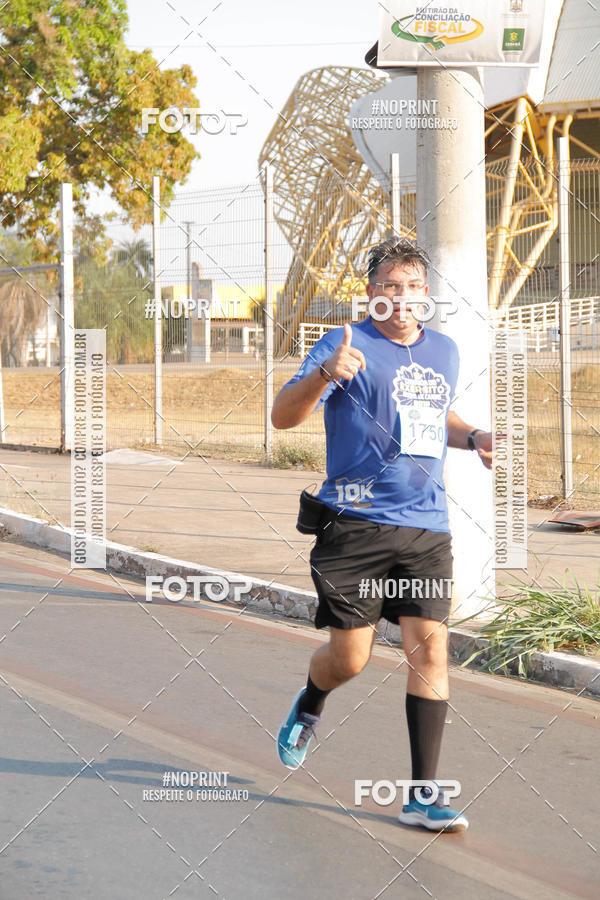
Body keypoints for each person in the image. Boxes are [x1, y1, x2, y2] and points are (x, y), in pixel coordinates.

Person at [271, 237, 493, 832]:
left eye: (414, 287)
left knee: (433, 650)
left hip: (426, 525)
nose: (402, 298)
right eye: (390, 287)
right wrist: (323, 373)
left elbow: (431, 415)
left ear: (427, 297)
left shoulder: (443, 351)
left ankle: (423, 795)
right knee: (351, 659)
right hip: (354, 525)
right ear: (371, 295)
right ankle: (311, 700)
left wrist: (473, 438)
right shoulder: (346, 343)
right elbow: (283, 415)